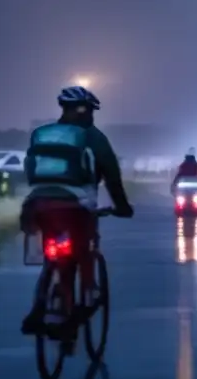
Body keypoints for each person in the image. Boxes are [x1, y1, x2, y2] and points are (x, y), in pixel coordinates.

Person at [19, 86, 135, 336]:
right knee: (84, 247)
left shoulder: (44, 134)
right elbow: (112, 176)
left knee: (52, 256)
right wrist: (122, 206)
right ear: (87, 112)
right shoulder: (92, 137)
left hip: (38, 202)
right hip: (76, 205)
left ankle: (38, 306)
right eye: (91, 111)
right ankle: (87, 295)